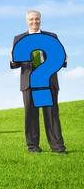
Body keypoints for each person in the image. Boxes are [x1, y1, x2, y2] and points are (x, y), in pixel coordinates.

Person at [10, 10, 67, 154]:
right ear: (27, 21)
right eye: (31, 19)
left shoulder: (51, 37)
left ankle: (58, 147)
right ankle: (33, 147)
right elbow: (16, 63)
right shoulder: (19, 39)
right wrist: (12, 60)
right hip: (29, 82)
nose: (34, 22)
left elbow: (59, 59)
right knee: (31, 115)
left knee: (51, 115)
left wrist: (64, 59)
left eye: (37, 19)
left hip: (47, 81)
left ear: (40, 20)